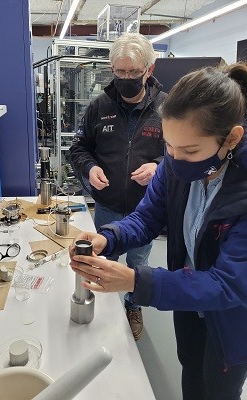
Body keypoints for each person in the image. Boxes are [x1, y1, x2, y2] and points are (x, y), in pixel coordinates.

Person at [70, 62, 247, 400]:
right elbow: (148, 217)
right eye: (169, 147)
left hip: (231, 317)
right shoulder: (175, 165)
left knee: (219, 389)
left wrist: (136, 281)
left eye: (190, 150)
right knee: (191, 374)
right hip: (188, 305)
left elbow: (228, 284)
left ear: (232, 138)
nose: (176, 160)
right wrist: (108, 237)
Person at [69, 33, 166, 340]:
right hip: (108, 206)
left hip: (145, 209)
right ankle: (107, 309)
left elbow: (182, 154)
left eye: (133, 73)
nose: (125, 79)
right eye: (119, 72)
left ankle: (133, 306)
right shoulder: (99, 106)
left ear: (148, 70)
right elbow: (78, 148)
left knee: (138, 262)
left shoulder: (167, 109)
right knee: (105, 258)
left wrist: (159, 166)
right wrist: (91, 167)